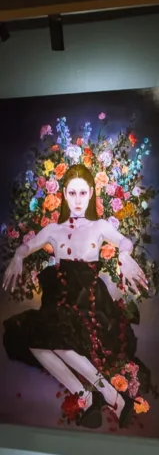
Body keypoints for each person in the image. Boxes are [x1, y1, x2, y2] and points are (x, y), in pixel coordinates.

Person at [2, 164, 148, 429]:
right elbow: (27, 246)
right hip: (58, 306)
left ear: (91, 193)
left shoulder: (100, 226)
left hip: (88, 307)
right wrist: (18, 256)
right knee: (32, 339)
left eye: (83, 193)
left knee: (55, 336)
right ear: (64, 195)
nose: (78, 200)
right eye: (72, 193)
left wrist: (124, 255)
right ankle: (91, 396)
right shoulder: (53, 231)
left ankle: (107, 394)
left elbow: (124, 242)